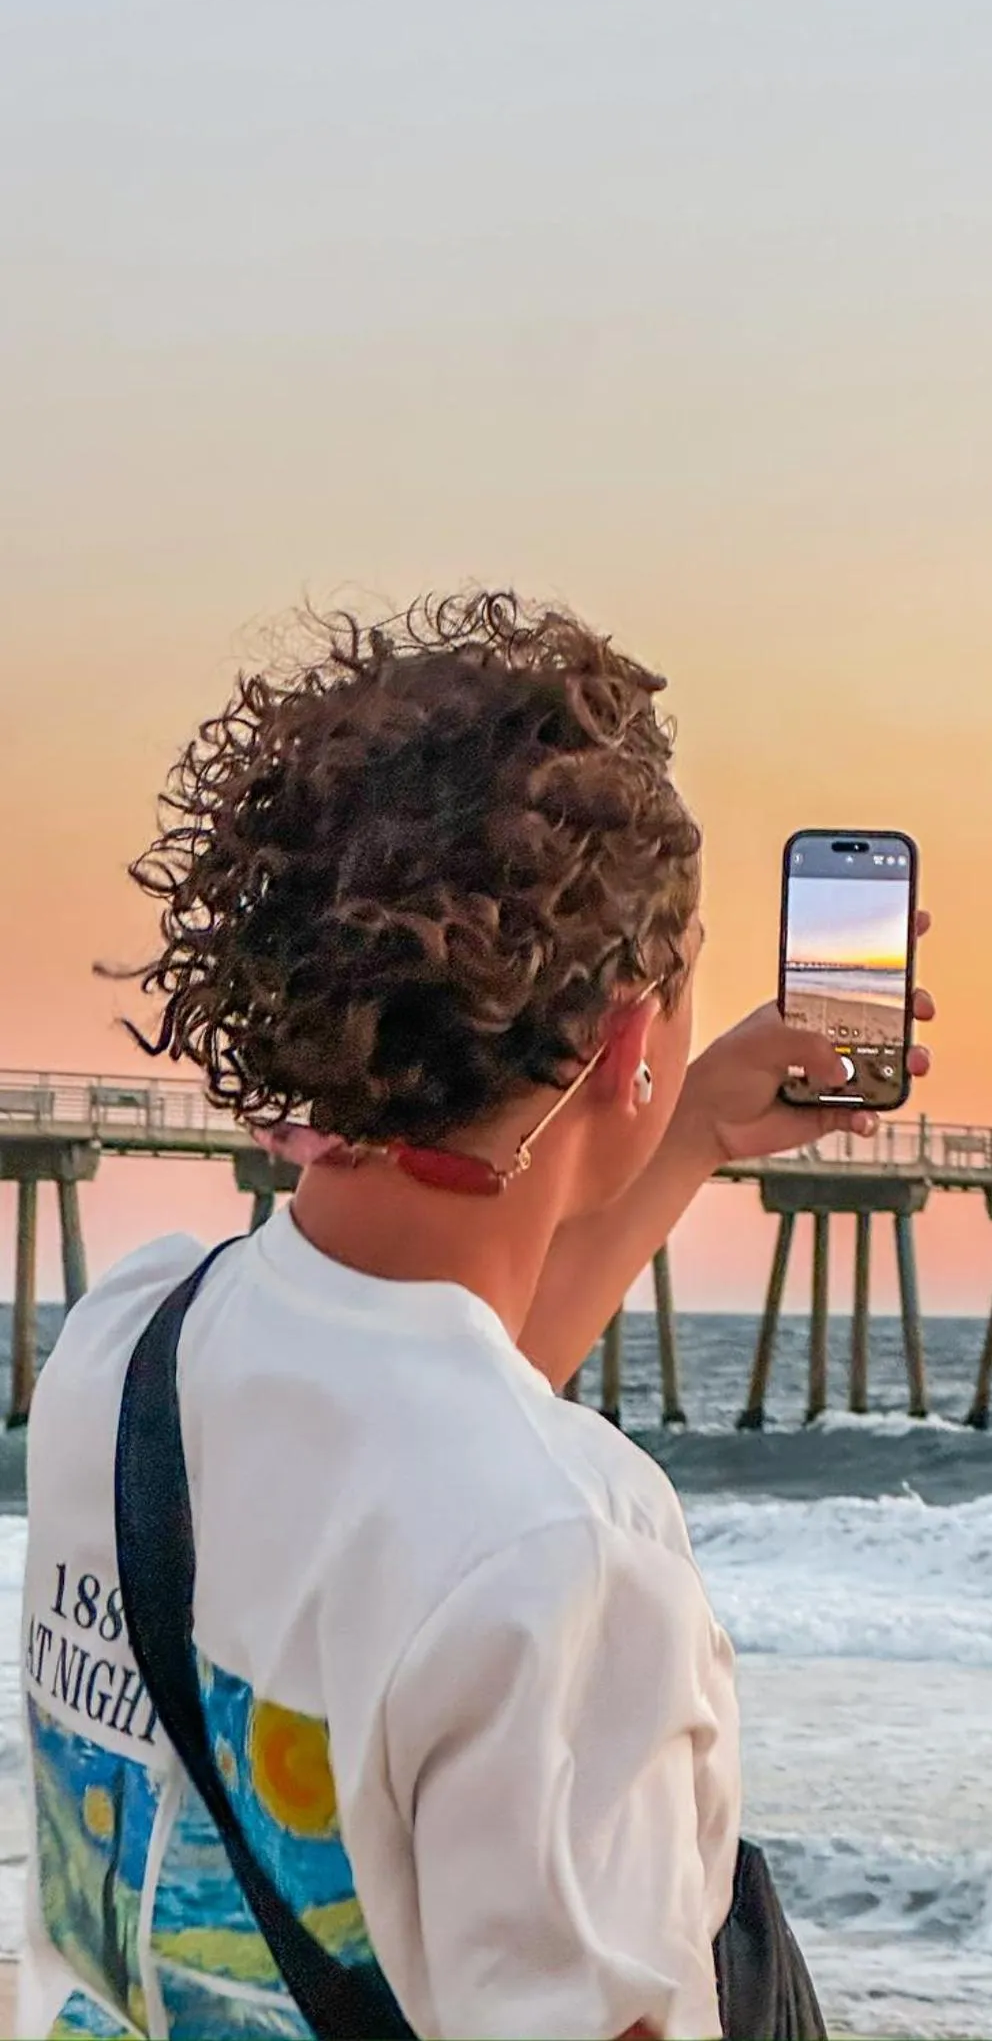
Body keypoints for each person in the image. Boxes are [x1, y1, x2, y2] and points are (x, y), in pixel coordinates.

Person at [18, 592, 934, 2041]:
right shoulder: (575, 1567)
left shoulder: (124, 1350)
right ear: (629, 1036)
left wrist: (686, 1131)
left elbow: (431, 1421)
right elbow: (476, 1495)